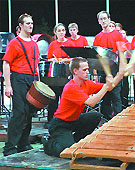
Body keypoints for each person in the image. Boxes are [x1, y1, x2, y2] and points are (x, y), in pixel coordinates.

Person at [41, 57, 125, 157]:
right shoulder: (71, 87)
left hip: (74, 120)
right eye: (84, 69)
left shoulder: (86, 83)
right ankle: (48, 143)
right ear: (75, 71)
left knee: (95, 116)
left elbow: (109, 87)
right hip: (60, 124)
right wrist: (107, 86)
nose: (87, 72)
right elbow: (92, 102)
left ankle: (76, 142)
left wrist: (119, 75)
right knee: (67, 153)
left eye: (87, 69)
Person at [2, 13, 40, 156]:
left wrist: (38, 83)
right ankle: (10, 147)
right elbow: (6, 64)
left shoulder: (34, 43)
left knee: (29, 113)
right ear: (21, 25)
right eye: (27, 23)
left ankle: (23, 143)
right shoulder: (15, 43)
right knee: (19, 113)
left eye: (31, 23)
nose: (30, 25)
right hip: (18, 78)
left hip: (32, 79)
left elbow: (36, 65)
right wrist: (8, 85)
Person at [93, 11, 124, 120]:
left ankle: (118, 120)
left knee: (116, 96)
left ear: (109, 19)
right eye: (101, 19)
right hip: (102, 70)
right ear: (98, 22)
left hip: (114, 69)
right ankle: (106, 119)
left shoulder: (117, 35)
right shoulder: (97, 37)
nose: (103, 21)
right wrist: (95, 73)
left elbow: (121, 53)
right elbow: (95, 57)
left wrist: (121, 70)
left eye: (105, 18)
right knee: (104, 96)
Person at [46, 23, 74, 128]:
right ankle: (50, 121)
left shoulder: (70, 43)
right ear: (55, 33)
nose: (61, 32)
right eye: (59, 31)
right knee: (53, 98)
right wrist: (53, 59)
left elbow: (74, 58)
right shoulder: (52, 44)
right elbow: (49, 58)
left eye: (63, 30)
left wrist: (63, 60)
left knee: (65, 98)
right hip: (54, 76)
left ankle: (65, 120)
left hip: (66, 75)